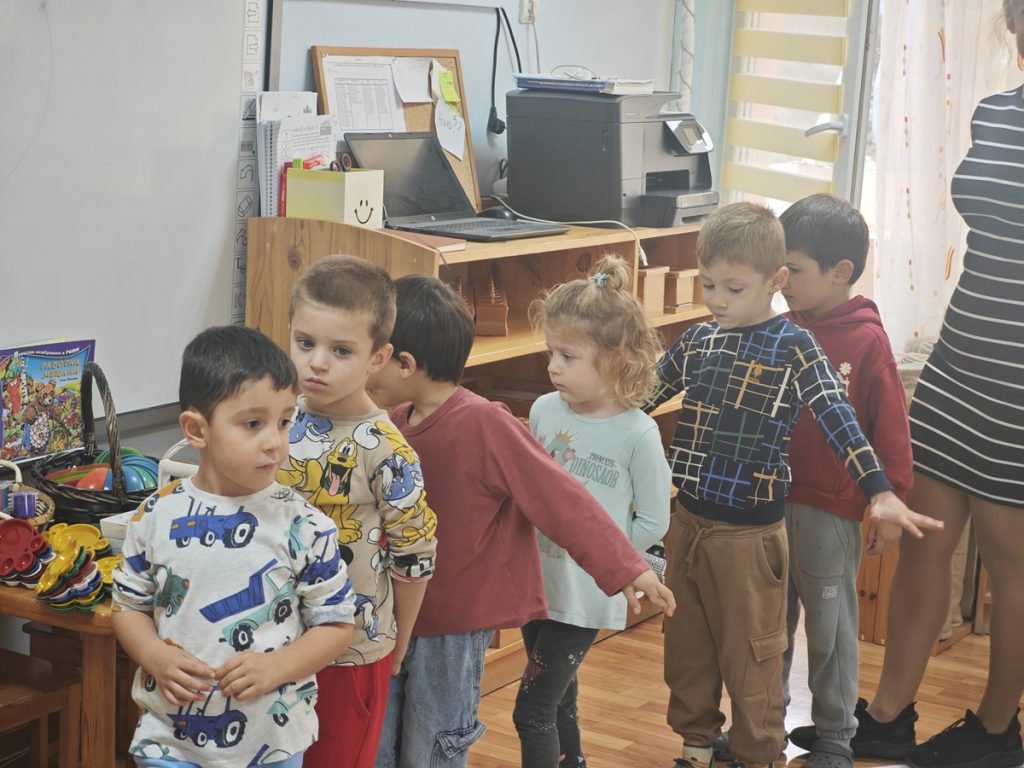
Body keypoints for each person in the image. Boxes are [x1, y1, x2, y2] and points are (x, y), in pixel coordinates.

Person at [648, 202, 942, 768]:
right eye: (709, 285)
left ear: (777, 279)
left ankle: (826, 738)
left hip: (800, 519)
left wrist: (886, 492)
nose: (717, 299)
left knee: (806, 635)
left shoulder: (813, 344)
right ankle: (736, 736)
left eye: (733, 287)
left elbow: (849, 422)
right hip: (721, 517)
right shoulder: (705, 338)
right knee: (733, 638)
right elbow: (642, 397)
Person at [365, 273, 676, 768]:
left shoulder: (485, 423)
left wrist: (626, 567)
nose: (364, 366)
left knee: (433, 745)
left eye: (370, 354)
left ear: (404, 364)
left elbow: (561, 499)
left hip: (453, 626)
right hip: (395, 613)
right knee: (381, 742)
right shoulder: (392, 423)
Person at [854, 5, 1024, 767]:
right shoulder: (996, 113)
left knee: (1013, 565)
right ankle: (887, 717)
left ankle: (995, 730)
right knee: (925, 540)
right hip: (960, 362)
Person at [112, 325, 356, 768]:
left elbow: (337, 625)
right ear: (196, 429)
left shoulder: (305, 526)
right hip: (169, 743)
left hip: (271, 746)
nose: (275, 441)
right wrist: (154, 656)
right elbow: (128, 607)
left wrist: (279, 666)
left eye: (285, 421)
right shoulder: (154, 515)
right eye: (253, 424)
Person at [279, 255, 438, 768]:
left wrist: (400, 639)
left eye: (341, 350)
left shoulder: (388, 450)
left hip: (351, 650)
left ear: (378, 357)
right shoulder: (274, 420)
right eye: (305, 343)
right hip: (271, 640)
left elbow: (414, 557)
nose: (317, 363)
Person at [514, 254, 672, 767]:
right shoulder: (543, 410)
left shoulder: (638, 432)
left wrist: (607, 560)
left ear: (616, 360)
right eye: (551, 352)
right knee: (559, 698)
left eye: (568, 355)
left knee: (532, 711)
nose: (553, 366)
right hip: (539, 585)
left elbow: (655, 520)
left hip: (586, 594)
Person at [775, 194, 912, 768]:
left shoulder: (867, 341)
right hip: (767, 504)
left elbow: (892, 428)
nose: (781, 281)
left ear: (840, 272)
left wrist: (890, 501)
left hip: (830, 514)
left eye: (793, 269)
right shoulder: (780, 329)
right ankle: (763, 725)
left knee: (830, 632)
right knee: (768, 626)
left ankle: (835, 736)